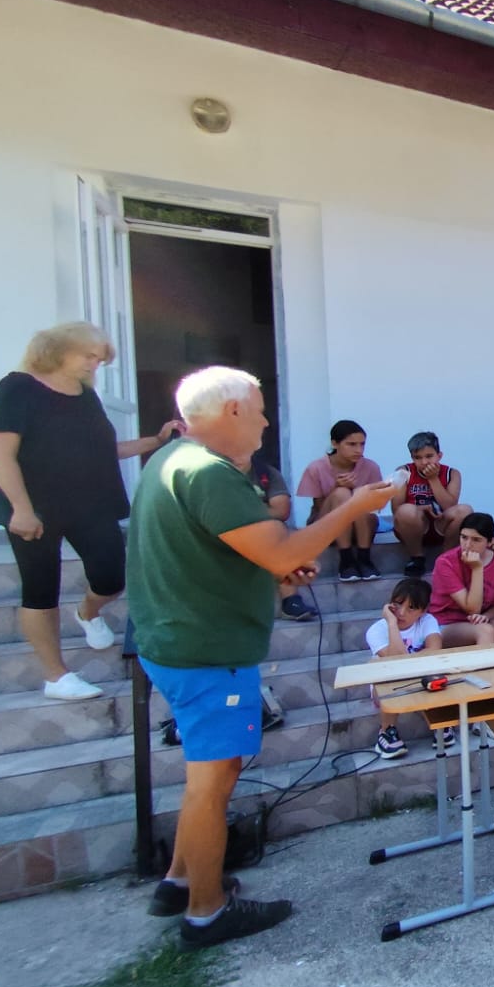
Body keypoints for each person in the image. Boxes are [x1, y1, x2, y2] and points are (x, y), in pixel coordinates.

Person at [129, 366, 393, 946]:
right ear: (230, 411)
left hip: (179, 639)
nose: (267, 422)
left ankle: (180, 880)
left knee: (213, 771)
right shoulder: (207, 472)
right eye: (259, 410)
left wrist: (276, 568)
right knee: (212, 778)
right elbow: (279, 550)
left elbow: (231, 548)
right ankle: (207, 912)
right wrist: (354, 507)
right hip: (205, 650)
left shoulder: (172, 460)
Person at [0, 322, 184, 701]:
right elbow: (1, 455)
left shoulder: (85, 395)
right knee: (40, 590)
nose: (95, 365)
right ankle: (56, 677)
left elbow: (105, 450)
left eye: (100, 360)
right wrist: (22, 510)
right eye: (89, 356)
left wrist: (156, 441)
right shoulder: (16, 388)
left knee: (111, 577)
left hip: (91, 503)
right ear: (56, 350)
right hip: (35, 508)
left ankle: (88, 613)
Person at [296, 419, 383, 582]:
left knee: (360, 495)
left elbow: (376, 507)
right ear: (335, 443)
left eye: (362, 444)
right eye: (351, 444)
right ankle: (346, 560)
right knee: (342, 494)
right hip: (326, 526)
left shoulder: (370, 467)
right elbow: (319, 506)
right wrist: (336, 488)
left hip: (361, 526)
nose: (358, 450)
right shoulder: (317, 467)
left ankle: (364, 558)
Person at [365, 577, 443, 760]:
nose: (401, 612)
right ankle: (386, 732)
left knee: (435, 674)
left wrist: (409, 662)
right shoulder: (376, 630)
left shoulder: (427, 621)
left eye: (411, 608)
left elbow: (435, 650)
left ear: (423, 611)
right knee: (390, 677)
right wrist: (392, 624)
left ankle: (440, 723)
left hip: (417, 678)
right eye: (398, 604)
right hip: (386, 686)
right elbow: (396, 662)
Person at [428, 511, 494, 649]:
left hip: (478, 620)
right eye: (464, 537)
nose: (467, 545)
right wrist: (477, 569)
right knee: (485, 630)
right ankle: (484, 664)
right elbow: (472, 609)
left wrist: (486, 616)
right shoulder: (446, 562)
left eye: (476, 540)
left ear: (490, 542)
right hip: (445, 623)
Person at [391, 431, 472, 578]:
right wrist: (422, 508)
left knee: (465, 510)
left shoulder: (452, 473)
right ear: (412, 458)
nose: (424, 462)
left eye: (429, 456)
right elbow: (396, 509)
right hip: (413, 525)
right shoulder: (403, 472)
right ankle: (417, 558)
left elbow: (450, 506)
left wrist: (433, 479)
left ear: (439, 456)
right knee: (405, 511)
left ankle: (445, 559)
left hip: (441, 524)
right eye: (418, 457)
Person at [247, 457, 316, 623]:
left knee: (277, 529)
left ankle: (291, 600)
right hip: (221, 533)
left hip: (261, 532)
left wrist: (245, 509)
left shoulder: (265, 472)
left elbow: (281, 510)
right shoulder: (212, 473)